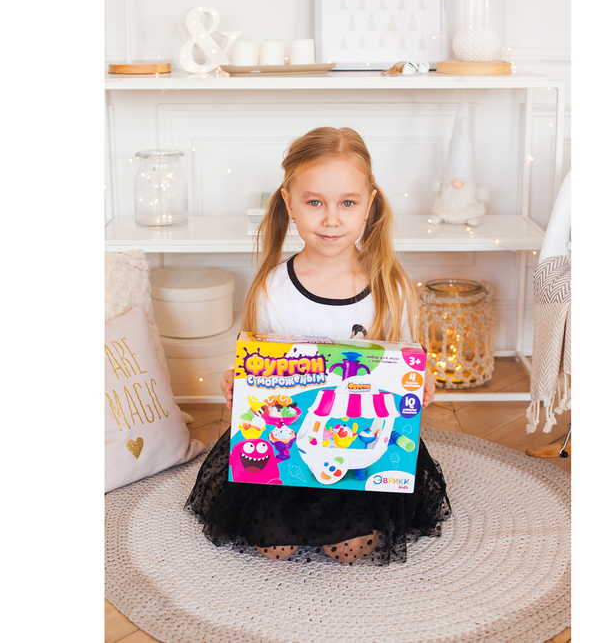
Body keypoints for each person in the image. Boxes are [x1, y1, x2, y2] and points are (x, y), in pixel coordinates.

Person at [186, 127, 451, 565]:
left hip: (360, 443)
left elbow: (408, 365)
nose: (331, 219)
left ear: (369, 204)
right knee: (274, 547)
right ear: (289, 203)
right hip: (292, 442)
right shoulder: (272, 289)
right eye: (315, 203)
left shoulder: (392, 287)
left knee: (348, 549)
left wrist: (424, 383)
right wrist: (239, 383)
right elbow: (259, 368)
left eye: (347, 203)